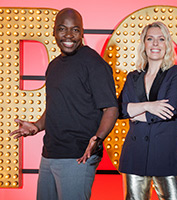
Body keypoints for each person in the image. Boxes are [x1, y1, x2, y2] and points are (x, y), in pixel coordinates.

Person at [9, 8, 118, 200]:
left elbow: (111, 108)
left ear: (82, 32)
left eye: (75, 30)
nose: (68, 35)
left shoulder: (94, 64)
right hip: (49, 154)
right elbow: (55, 106)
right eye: (62, 29)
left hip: (77, 156)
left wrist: (98, 138)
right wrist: (36, 126)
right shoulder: (54, 65)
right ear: (54, 32)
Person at [118, 21, 177, 200]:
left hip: (167, 154)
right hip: (135, 154)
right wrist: (149, 106)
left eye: (161, 39)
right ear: (144, 44)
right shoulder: (133, 76)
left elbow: (170, 110)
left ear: (167, 44)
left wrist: (134, 113)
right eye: (150, 39)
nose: (155, 43)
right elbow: (119, 110)